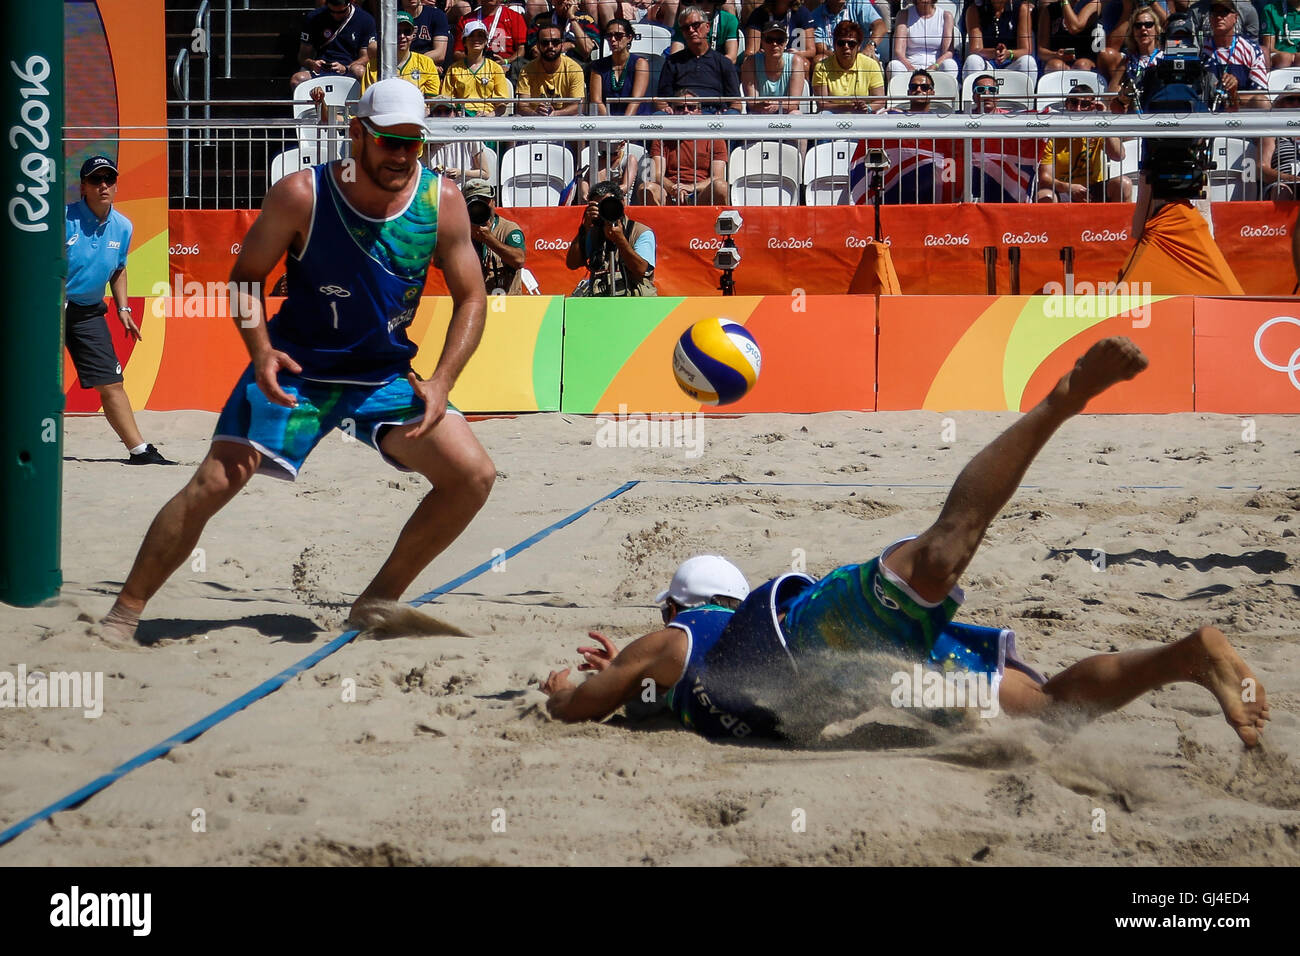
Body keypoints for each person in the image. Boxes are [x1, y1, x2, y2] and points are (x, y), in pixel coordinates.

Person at [541, 338, 1271, 751]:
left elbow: (577, 709)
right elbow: (649, 685)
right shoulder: (688, 657)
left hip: (820, 642)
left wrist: (563, 688)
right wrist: (633, 677)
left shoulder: (675, 640)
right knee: (1047, 707)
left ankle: (1059, 403)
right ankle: (1182, 656)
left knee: (942, 553)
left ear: (677, 605)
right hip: (873, 675)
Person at [97, 79, 495, 643]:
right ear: (357, 133)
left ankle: (377, 602)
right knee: (215, 481)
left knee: (472, 476)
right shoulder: (303, 194)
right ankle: (124, 614)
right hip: (298, 370)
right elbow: (244, 280)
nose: (402, 155)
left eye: (413, 143)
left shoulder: (442, 200)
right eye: (389, 142)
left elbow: (473, 296)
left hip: (381, 375)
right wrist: (259, 351)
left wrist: (443, 379)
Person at [64, 156, 172, 466]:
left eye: (108, 180)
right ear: (83, 186)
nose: (103, 186)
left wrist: (123, 307)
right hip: (52, 310)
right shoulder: (63, 218)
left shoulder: (123, 226)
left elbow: (119, 269)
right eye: (95, 180)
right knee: (36, 380)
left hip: (87, 312)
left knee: (111, 383)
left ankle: (139, 451)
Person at [1036, 84, 1132, 201]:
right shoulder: (1053, 135)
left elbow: (1119, 155)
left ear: (1092, 106)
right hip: (1063, 190)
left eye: (1085, 104)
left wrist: (1104, 118)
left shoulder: (1098, 130)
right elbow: (1044, 177)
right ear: (1067, 104)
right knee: (1044, 195)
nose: (1078, 108)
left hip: (1092, 190)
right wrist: (1069, 188)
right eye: (1074, 102)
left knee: (1124, 184)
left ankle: (1125, 220)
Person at [874, 68, 954, 202]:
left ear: (932, 93)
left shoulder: (942, 121)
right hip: (899, 181)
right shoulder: (892, 116)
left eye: (924, 87)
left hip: (932, 181)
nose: (918, 90)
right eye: (913, 87)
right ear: (908, 92)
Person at [566, 180, 658, 296]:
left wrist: (620, 240)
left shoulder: (641, 231)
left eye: (610, 203)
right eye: (600, 206)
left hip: (635, 301)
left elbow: (641, 270)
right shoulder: (594, 232)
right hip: (602, 300)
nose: (607, 209)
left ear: (622, 203)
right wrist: (584, 228)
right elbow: (572, 264)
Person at [638, 91, 731, 202]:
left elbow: (718, 176)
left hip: (701, 194)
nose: (686, 111)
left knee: (721, 186)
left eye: (691, 107)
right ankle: (658, 219)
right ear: (673, 112)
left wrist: (692, 187)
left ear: (699, 111)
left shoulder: (715, 138)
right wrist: (675, 189)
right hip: (670, 193)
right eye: (680, 107)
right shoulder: (661, 137)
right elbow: (657, 174)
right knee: (646, 189)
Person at [969, 73, 1040, 203]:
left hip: (1002, 176)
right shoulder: (962, 118)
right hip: (972, 175)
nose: (986, 93)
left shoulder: (1011, 120)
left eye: (992, 90)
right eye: (980, 90)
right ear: (974, 96)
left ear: (998, 96)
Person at [657, 5, 743, 112]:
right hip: (681, 111)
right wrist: (666, 109)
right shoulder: (672, 62)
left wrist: (726, 114)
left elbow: (736, 103)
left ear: (707, 27)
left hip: (714, 114)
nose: (691, 30)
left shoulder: (723, 62)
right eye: (685, 28)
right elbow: (661, 100)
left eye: (695, 25)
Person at [462, 181, 527, 295]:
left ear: (493, 202)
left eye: (484, 201)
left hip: (508, 303)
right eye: (474, 202)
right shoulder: (459, 232)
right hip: (473, 302)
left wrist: (489, 239)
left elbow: (519, 260)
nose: (479, 207)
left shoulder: (508, 229)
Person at [292, 0, 376, 90]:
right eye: (332, 11)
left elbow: (366, 57)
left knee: (360, 71)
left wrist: (346, 68)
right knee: (297, 80)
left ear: (350, 3)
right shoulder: (313, 18)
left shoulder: (365, 19)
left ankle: (365, 103)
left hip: (349, 68)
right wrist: (312, 63)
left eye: (341, 12)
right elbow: (303, 56)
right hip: (321, 69)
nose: (336, 15)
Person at [1202, 0, 1268, 109]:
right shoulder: (1202, 49)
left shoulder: (1251, 50)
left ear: (1235, 18)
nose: (1219, 17)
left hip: (1241, 111)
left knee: (1263, 102)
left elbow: (1260, 94)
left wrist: (1233, 94)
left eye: (1224, 13)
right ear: (1210, 18)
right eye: (1215, 13)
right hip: (1206, 108)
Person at [440, 20, 512, 115]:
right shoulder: (453, 69)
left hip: (487, 118)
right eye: (471, 36)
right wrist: (456, 114)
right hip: (461, 117)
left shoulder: (495, 68)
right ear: (464, 42)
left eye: (480, 36)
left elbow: (501, 105)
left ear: (486, 41)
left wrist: (489, 115)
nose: (476, 39)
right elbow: (447, 101)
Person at [812, 19, 885, 113]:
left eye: (851, 43)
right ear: (834, 45)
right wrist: (848, 107)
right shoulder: (821, 67)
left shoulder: (871, 65)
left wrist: (868, 108)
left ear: (859, 46)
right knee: (824, 113)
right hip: (833, 115)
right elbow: (822, 104)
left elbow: (880, 100)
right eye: (841, 43)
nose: (846, 47)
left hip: (864, 114)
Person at [360, 10, 440, 95]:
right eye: (397, 32)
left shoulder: (427, 63)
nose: (402, 36)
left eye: (407, 32)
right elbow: (366, 99)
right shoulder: (373, 66)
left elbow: (431, 101)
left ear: (413, 34)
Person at [516, 23, 588, 114]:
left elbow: (579, 106)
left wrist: (555, 114)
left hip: (567, 123)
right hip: (536, 123)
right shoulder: (526, 71)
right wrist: (535, 113)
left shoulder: (574, 69)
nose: (550, 46)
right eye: (545, 43)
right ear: (537, 45)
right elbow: (521, 106)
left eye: (555, 42)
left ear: (562, 44)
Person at [963, 0, 1038, 83]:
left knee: (1028, 62)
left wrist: (1008, 54)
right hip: (988, 62)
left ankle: (1026, 95)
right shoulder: (974, 9)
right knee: (972, 60)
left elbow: (1026, 49)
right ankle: (973, 94)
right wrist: (994, 53)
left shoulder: (1021, 8)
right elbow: (975, 49)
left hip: (1012, 62)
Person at [452, 0, 529, 79]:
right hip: (473, 66)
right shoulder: (466, 20)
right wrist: (478, 60)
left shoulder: (514, 17)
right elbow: (457, 54)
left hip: (505, 68)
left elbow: (521, 50)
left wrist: (506, 61)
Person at [590, 17, 652, 114]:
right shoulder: (598, 66)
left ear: (629, 38)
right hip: (607, 120)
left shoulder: (640, 63)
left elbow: (635, 101)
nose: (613, 39)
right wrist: (610, 123)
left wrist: (623, 124)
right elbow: (596, 101)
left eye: (618, 35)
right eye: (609, 36)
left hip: (636, 120)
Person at [741, 24, 809, 114]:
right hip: (759, 112)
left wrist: (777, 104)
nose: (774, 44)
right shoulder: (750, 62)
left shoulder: (796, 61)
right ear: (762, 42)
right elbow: (752, 103)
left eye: (779, 40)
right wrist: (766, 105)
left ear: (785, 43)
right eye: (769, 40)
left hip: (786, 111)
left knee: (795, 114)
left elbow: (794, 103)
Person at [425, 98, 492, 184]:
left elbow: (485, 173)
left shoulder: (470, 138)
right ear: (432, 115)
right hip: (436, 191)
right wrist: (432, 174)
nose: (442, 116)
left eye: (447, 111)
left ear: (455, 113)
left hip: (466, 191)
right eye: (438, 112)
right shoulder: (425, 141)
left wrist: (461, 172)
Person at [888, 0, 956, 81]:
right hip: (909, 66)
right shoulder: (903, 15)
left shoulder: (946, 16)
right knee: (894, 66)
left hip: (936, 66)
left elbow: (948, 52)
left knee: (950, 64)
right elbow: (898, 51)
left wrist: (934, 67)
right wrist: (912, 70)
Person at [744, 0, 817, 72]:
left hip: (791, 58)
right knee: (750, 63)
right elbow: (750, 53)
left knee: (804, 64)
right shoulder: (758, 13)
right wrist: (764, 55)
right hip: (766, 59)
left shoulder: (802, 12)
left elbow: (811, 51)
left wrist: (797, 54)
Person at [1105, 7, 1162, 93]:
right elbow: (1111, 93)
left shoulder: (1164, 56)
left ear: (1156, 30)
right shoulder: (1128, 60)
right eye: (1138, 26)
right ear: (1132, 32)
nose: (1143, 28)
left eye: (1148, 24)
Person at [1036, 0, 1103, 73]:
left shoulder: (1093, 3)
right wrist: (1056, 55)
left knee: (1081, 65)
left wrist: (1064, 2)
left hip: (1086, 60)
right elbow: (1041, 51)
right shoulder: (1049, 10)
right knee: (1055, 66)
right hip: (1059, 60)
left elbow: (1074, 27)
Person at [810, 0, 888, 62]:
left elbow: (880, 26)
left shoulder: (859, 3)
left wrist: (871, 45)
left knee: (872, 60)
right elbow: (822, 49)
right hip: (834, 59)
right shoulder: (815, 15)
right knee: (819, 60)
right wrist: (845, 59)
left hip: (863, 56)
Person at [1259, 83, 1300, 198]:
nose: (1296, 104)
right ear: (1281, 104)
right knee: (1281, 190)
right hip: (1282, 183)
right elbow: (1261, 168)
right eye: (1290, 99)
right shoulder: (1271, 132)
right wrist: (1290, 178)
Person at [668, 0, 742, 62]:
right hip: (689, 68)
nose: (705, 4)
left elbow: (732, 57)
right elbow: (675, 53)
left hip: (719, 70)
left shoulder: (729, 20)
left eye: (710, 0)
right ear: (692, 2)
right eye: (700, 1)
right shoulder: (684, 21)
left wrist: (706, 66)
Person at [1263, 0, 1300, 69]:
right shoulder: (1271, 9)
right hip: (1278, 57)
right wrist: (1292, 56)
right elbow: (1269, 48)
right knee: (1285, 58)